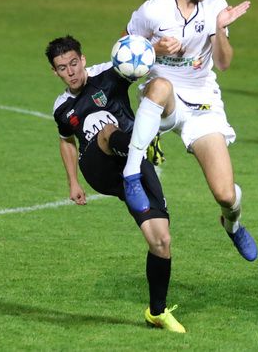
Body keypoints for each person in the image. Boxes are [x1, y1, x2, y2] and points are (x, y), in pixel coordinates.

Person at [121, 0, 258, 262]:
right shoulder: (153, 10)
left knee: (226, 195)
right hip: (165, 99)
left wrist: (220, 28)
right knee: (160, 86)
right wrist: (155, 48)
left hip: (203, 104)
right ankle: (132, 173)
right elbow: (125, 51)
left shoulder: (215, 7)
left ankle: (233, 225)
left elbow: (223, 63)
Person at [46, 35, 186, 333]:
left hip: (132, 164)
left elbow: (137, 58)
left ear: (83, 60)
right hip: (98, 166)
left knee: (161, 240)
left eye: (73, 63)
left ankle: (157, 312)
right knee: (108, 129)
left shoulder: (108, 74)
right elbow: (66, 141)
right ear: (55, 72)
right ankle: (145, 144)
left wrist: (160, 48)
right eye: (62, 68)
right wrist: (73, 182)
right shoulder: (62, 107)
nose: (71, 72)